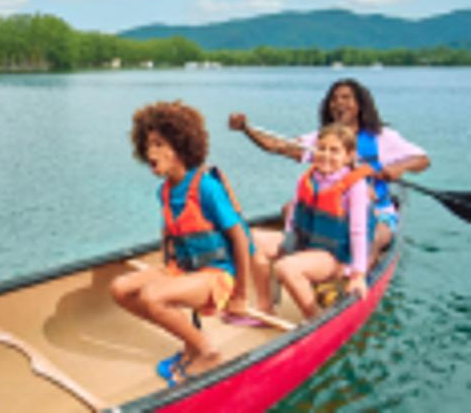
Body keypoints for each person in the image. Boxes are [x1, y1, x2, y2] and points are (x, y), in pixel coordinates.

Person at [111, 100, 251, 386]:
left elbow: (238, 238)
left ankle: (207, 352)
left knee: (152, 296)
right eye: (147, 144)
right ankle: (191, 340)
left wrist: (240, 296)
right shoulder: (163, 191)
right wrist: (166, 269)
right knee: (120, 289)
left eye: (159, 144)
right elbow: (169, 234)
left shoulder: (206, 187)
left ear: (180, 146)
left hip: (217, 275)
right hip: (184, 269)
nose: (151, 152)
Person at [229, 78, 430, 277]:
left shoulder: (381, 136)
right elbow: (276, 146)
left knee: (378, 235)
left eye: (346, 97)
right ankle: (301, 263)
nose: (339, 103)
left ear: (360, 104)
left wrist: (397, 167)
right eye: (334, 99)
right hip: (330, 208)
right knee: (289, 209)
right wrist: (247, 129)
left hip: (376, 209)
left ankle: (358, 279)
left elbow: (422, 160)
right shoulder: (321, 139)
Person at [272, 123, 373, 318]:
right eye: (321, 148)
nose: (325, 155)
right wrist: (288, 241)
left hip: (334, 257)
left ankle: (314, 317)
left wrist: (358, 275)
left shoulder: (356, 187)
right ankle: (264, 306)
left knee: (284, 267)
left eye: (334, 150)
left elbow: (358, 232)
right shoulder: (308, 179)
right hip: (307, 245)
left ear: (349, 156)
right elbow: (294, 213)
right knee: (253, 243)